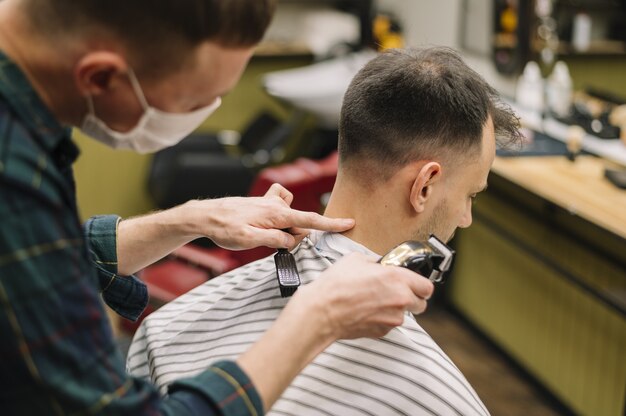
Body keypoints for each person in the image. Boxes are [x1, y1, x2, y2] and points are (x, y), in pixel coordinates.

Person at [0, 1, 436, 414]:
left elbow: (36, 255)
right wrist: (318, 319)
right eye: (192, 104)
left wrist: (191, 219)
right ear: (99, 78)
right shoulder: (13, 170)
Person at [127, 47, 522, 415]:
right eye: (470, 194)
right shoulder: (439, 396)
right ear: (424, 186)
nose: (466, 217)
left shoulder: (166, 329)